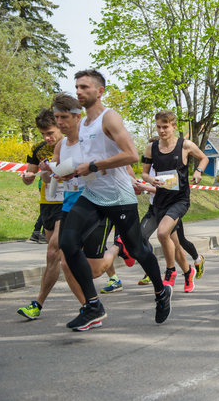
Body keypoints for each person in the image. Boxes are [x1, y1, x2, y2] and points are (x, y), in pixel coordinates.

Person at [59, 69, 171, 330]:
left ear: (99, 91)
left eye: (84, 87)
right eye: (77, 87)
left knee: (137, 249)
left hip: (119, 197)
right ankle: (93, 305)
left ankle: (160, 291)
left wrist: (95, 166)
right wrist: (72, 173)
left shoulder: (109, 118)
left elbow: (131, 154)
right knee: (67, 243)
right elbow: (89, 161)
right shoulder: (83, 124)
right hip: (93, 195)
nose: (78, 91)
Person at [48, 93, 134, 319]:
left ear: (77, 118)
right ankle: (90, 307)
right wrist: (54, 174)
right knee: (66, 261)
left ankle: (118, 247)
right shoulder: (60, 145)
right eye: (56, 117)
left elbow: (118, 165)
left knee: (94, 270)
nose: (59, 123)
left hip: (96, 203)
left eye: (63, 117)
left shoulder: (93, 139)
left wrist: (96, 169)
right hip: (69, 207)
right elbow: (58, 175)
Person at [141, 111, 208, 293]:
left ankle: (170, 271)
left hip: (179, 200)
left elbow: (204, 158)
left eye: (165, 127)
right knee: (175, 243)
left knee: (163, 233)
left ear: (173, 126)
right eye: (158, 127)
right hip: (160, 200)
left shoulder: (185, 145)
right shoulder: (151, 148)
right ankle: (188, 272)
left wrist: (198, 171)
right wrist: (150, 180)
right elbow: (144, 173)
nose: (162, 131)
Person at [17, 108, 65, 320]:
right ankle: (90, 301)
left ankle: (37, 303)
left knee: (53, 253)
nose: (47, 137)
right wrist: (27, 177)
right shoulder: (38, 149)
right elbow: (30, 172)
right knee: (55, 257)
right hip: (47, 202)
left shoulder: (72, 145)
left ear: (60, 127)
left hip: (68, 203)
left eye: (50, 132)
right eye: (43, 133)